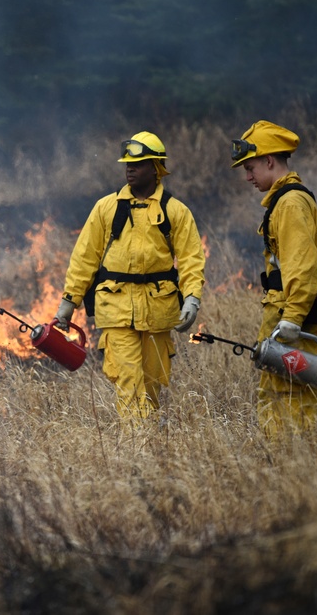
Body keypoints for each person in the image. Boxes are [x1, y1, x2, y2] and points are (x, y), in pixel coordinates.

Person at [54, 132, 206, 421]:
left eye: (137, 164)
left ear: (155, 168)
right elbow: (84, 258)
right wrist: (68, 303)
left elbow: (190, 260)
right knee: (128, 381)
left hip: (158, 312)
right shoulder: (106, 208)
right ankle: (138, 448)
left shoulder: (175, 211)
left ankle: (148, 442)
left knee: (151, 384)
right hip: (115, 311)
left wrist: (192, 299)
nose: (129, 169)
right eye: (127, 164)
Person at [230, 120, 317, 439]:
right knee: (279, 395)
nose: (248, 177)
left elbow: (303, 268)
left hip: (293, 322)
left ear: (269, 161)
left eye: (250, 168)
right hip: (288, 317)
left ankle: (290, 463)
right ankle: (285, 465)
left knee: (288, 398)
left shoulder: (289, 203)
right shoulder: (286, 201)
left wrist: (291, 319)